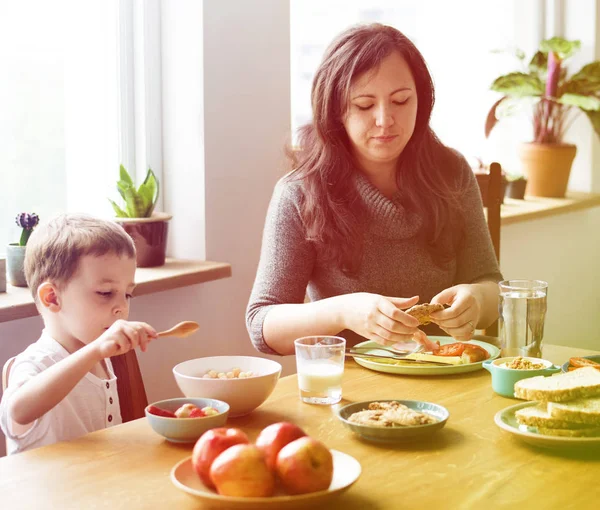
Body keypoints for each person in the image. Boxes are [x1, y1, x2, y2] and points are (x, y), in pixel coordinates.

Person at [246, 23, 502, 356]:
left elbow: (491, 283)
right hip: (349, 389)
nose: (385, 119)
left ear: (421, 102)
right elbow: (262, 323)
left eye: (400, 100)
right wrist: (343, 311)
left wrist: (478, 299)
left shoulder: (451, 173)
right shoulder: (301, 192)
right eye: (365, 105)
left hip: (447, 374)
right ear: (336, 110)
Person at [0, 214, 157, 455]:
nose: (122, 308)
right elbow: (18, 410)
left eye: (128, 294)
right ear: (52, 297)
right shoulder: (36, 362)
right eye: (105, 293)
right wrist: (94, 352)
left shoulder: (101, 357)